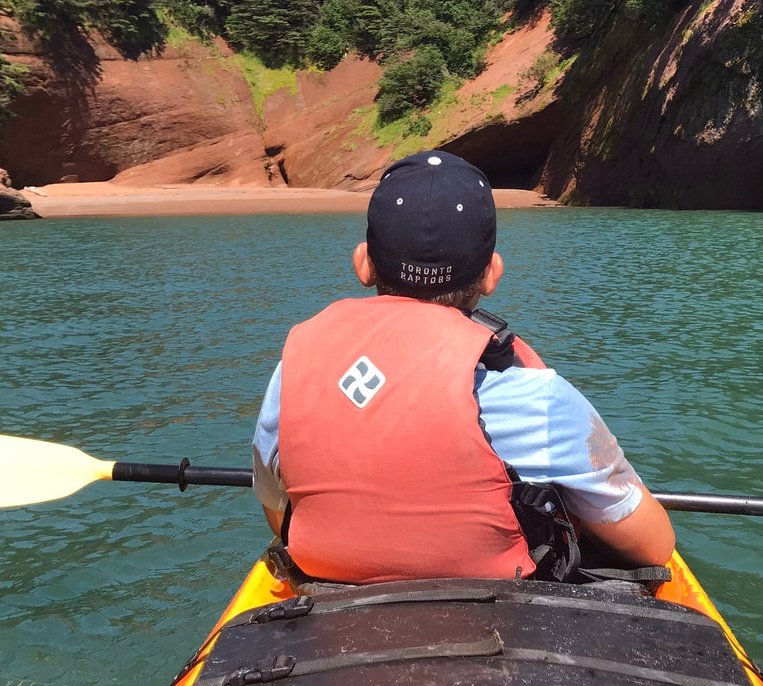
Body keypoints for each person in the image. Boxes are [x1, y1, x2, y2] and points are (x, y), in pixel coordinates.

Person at [252, 150, 674, 585]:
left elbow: (275, 509)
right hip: (497, 618)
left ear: (363, 263)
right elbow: (655, 546)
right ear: (492, 274)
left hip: (331, 592)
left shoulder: (294, 371)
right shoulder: (538, 400)